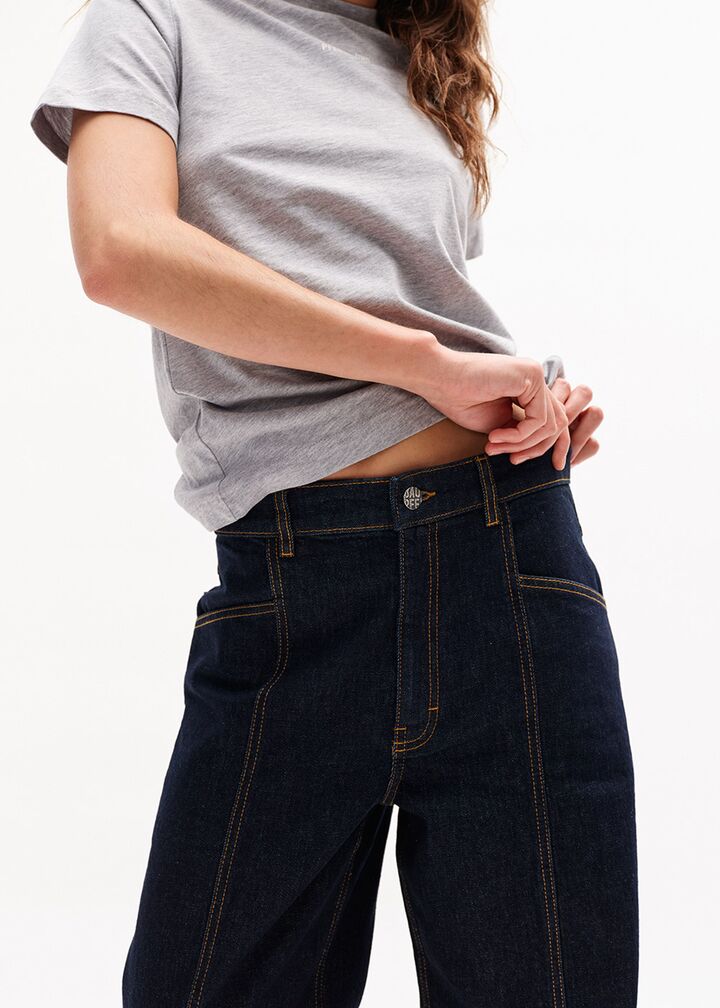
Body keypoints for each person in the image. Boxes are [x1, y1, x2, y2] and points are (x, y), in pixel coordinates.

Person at [30, 1, 638, 1005]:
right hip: (293, 583)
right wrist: (426, 366)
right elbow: (122, 249)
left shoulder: (417, 53)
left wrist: (532, 397)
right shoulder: (154, 19)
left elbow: (420, 298)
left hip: (511, 560)